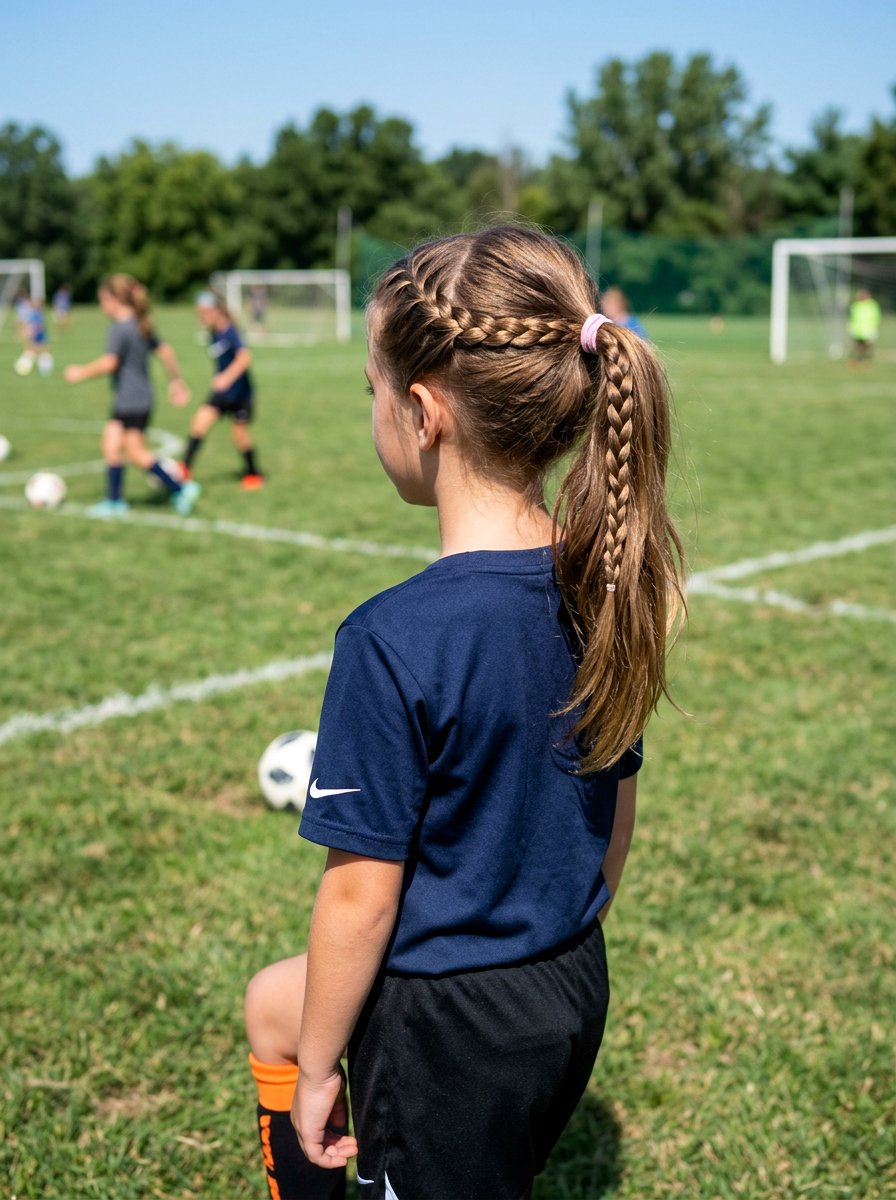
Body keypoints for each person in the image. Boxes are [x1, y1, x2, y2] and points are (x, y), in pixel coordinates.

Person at [243, 225, 686, 1200]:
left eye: (370, 389)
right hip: (569, 979)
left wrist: (322, 1071)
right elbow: (616, 806)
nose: (371, 411)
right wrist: (564, 925)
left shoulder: (391, 638)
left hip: (448, 1027)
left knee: (309, 1048)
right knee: (272, 1002)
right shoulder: (596, 583)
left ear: (420, 410)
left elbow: (359, 898)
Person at [63, 274, 201, 518]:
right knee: (111, 445)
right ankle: (115, 502)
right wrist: (176, 382)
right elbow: (166, 351)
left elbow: (110, 363)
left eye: (103, 300)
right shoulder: (139, 323)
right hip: (136, 398)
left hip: (131, 400)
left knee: (136, 452)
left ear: (115, 300)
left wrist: (79, 373)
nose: (102, 307)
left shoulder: (119, 328)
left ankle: (181, 488)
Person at [181, 290, 264, 489]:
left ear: (217, 311)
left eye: (205, 313)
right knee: (199, 423)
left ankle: (253, 474)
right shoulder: (213, 333)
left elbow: (245, 357)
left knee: (239, 435)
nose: (202, 317)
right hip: (222, 393)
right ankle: (184, 469)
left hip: (240, 394)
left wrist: (226, 377)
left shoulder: (231, 332)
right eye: (199, 314)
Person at [16, 294, 54, 376]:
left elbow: (38, 326)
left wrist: (29, 332)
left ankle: (44, 369)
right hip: (36, 336)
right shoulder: (34, 314)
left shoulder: (37, 314)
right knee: (34, 351)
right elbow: (33, 325)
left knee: (37, 351)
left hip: (39, 336)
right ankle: (42, 368)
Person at [848, 288, 882, 366]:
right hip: (857, 329)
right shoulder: (855, 305)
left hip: (869, 329)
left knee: (868, 346)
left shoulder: (873, 305)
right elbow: (853, 317)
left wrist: (875, 326)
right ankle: (855, 360)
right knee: (856, 346)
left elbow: (877, 316)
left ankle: (867, 361)